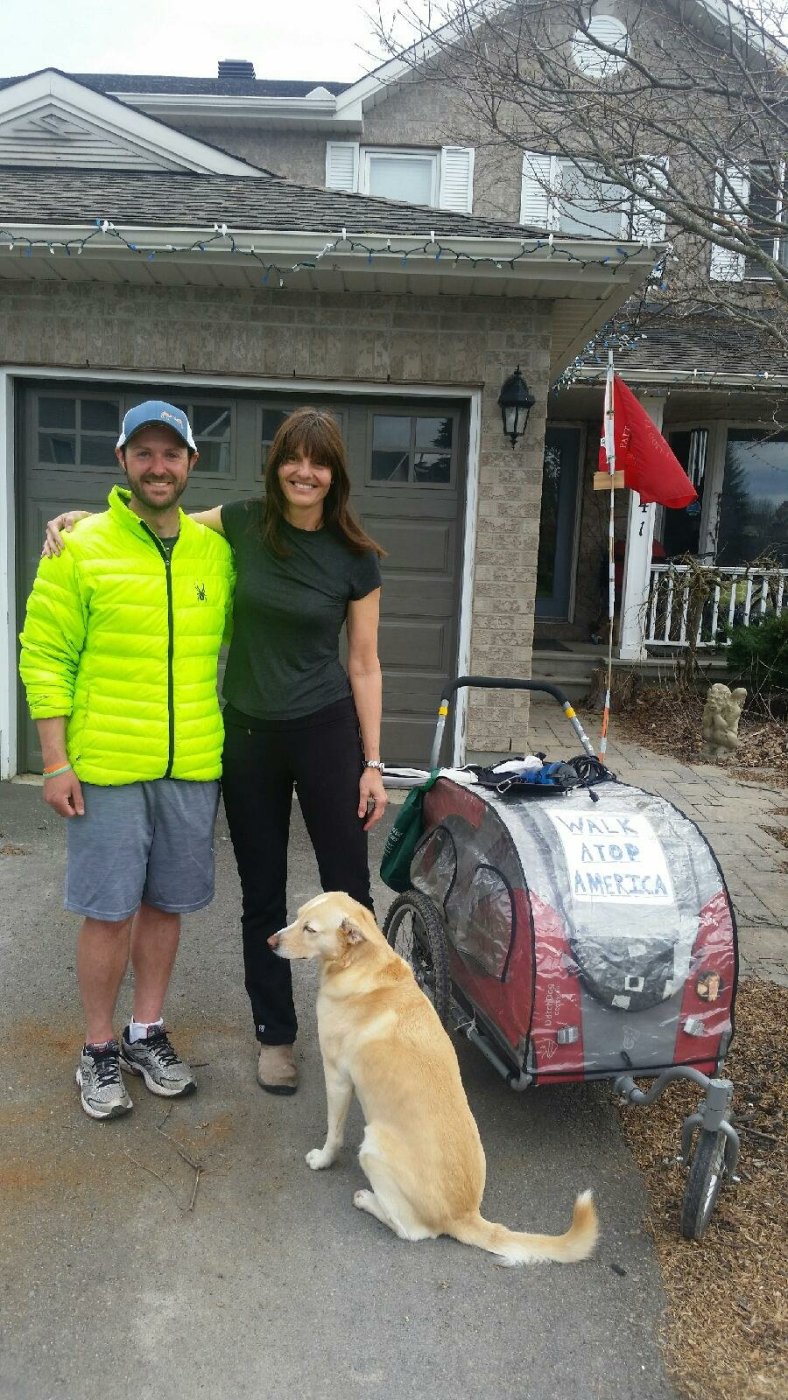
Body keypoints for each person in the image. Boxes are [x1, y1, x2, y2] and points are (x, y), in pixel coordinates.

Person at [45, 406, 388, 1099]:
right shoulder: (241, 523)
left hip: (326, 732)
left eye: (319, 462)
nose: (304, 472)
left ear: (335, 474)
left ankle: (369, 1032)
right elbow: (153, 521)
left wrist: (373, 761)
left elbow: (364, 663)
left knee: (349, 894)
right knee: (261, 894)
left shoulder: (356, 556)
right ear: (276, 465)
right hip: (250, 735)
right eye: (293, 458)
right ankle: (276, 1038)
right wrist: (81, 520)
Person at [22, 401, 235, 1121]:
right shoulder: (79, 548)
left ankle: (146, 1032)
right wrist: (55, 762)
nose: (157, 466)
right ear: (122, 461)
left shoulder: (216, 555)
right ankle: (97, 1047)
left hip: (190, 763)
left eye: (171, 453)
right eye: (143, 453)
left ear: (191, 463)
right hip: (107, 766)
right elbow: (45, 655)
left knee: (165, 905)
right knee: (109, 912)